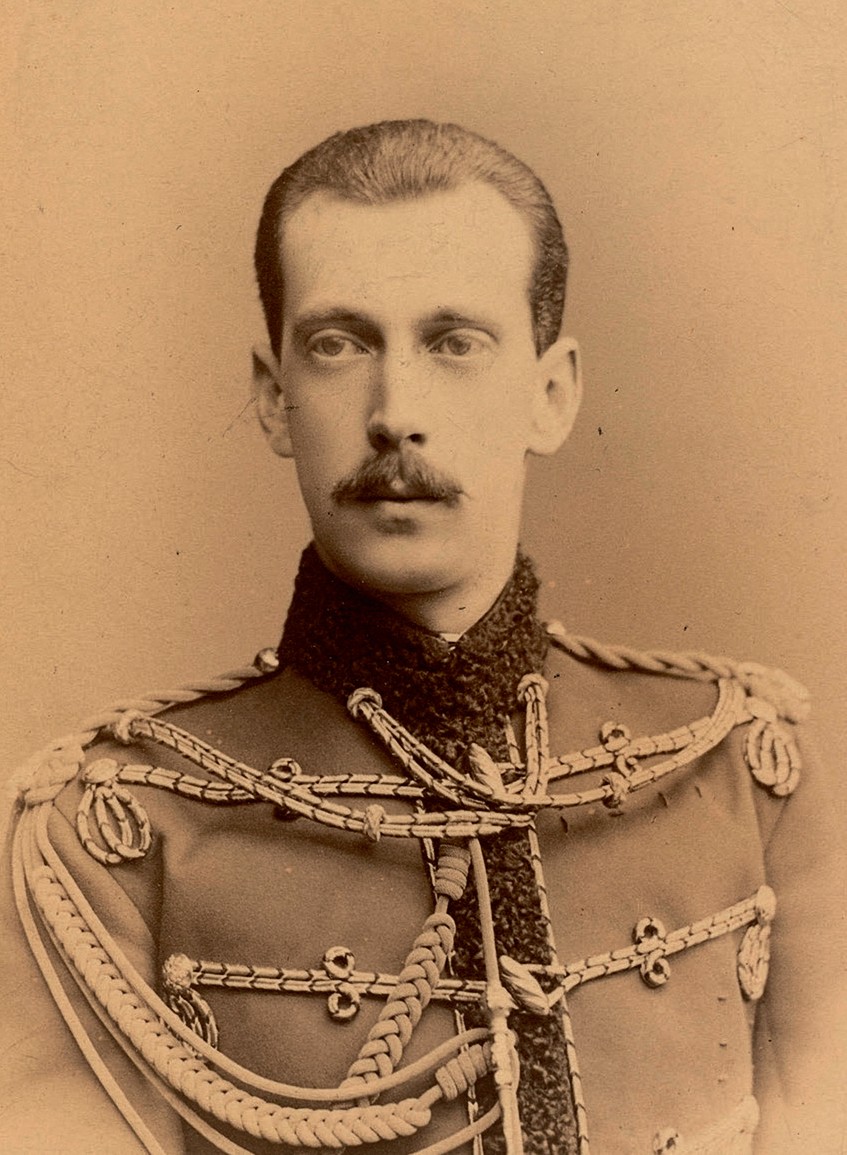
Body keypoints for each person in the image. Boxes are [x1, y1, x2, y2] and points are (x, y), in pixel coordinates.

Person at [3, 119, 844, 1155]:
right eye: (338, 344)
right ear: (273, 401)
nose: (394, 412)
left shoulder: (742, 767)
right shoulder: (113, 830)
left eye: (454, 343)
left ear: (551, 395)